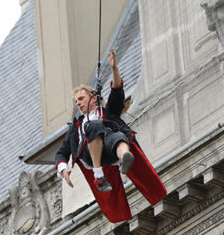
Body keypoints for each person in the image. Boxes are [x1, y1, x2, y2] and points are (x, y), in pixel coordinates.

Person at [55, 49, 166, 222]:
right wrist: (63, 169)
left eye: (81, 99)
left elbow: (117, 94)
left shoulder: (108, 112)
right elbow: (61, 153)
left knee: (118, 135)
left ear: (93, 98)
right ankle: (99, 175)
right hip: (90, 156)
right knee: (94, 126)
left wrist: (114, 69)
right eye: (76, 101)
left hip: (110, 149)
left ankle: (124, 158)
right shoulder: (76, 128)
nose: (78, 103)